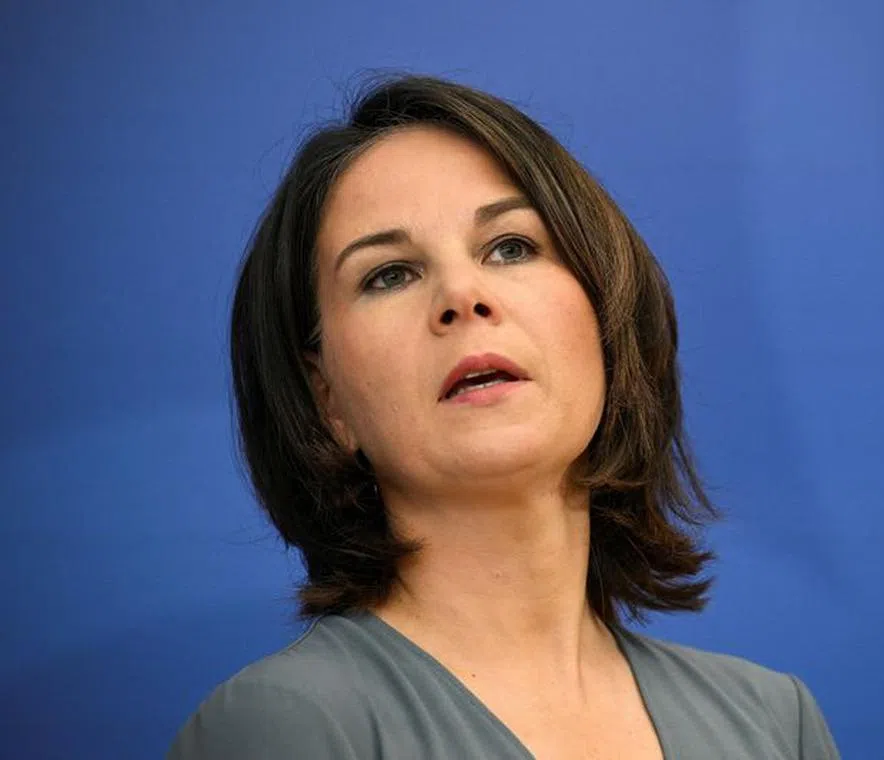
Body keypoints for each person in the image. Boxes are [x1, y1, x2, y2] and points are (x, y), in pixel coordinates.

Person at [168, 74, 840, 760]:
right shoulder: (282, 727)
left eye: (511, 247)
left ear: (606, 316)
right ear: (326, 400)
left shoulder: (772, 723)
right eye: (389, 274)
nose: (462, 294)